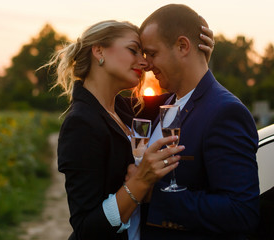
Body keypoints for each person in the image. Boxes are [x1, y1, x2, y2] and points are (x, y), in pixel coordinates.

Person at [45, 19, 213, 240]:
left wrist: (195, 61)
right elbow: (86, 228)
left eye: (144, 54)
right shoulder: (80, 123)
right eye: (133, 50)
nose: (144, 63)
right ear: (99, 51)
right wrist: (141, 182)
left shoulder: (126, 109)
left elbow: (182, 91)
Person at [135, 4, 259, 240]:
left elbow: (242, 212)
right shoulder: (164, 104)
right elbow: (102, 103)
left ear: (183, 46)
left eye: (152, 53)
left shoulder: (225, 112)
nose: (147, 64)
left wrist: (153, 193)